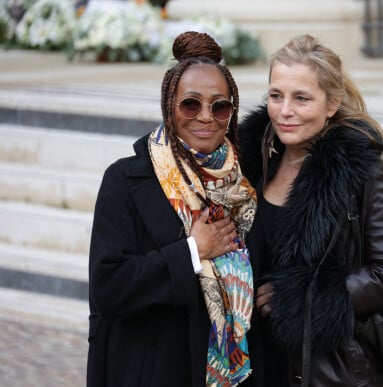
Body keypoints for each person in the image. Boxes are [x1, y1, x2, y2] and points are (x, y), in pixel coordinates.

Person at [238, 34, 383, 386]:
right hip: (255, 358)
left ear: (331, 103)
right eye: (276, 96)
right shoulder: (249, 161)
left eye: (301, 98)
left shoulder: (362, 173)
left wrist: (302, 297)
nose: (284, 111)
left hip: (329, 370)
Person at [87, 31, 263, 387]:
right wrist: (192, 252)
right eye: (191, 104)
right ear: (170, 106)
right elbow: (108, 286)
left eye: (220, 106)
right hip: (153, 370)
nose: (206, 117)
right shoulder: (127, 180)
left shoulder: (243, 186)